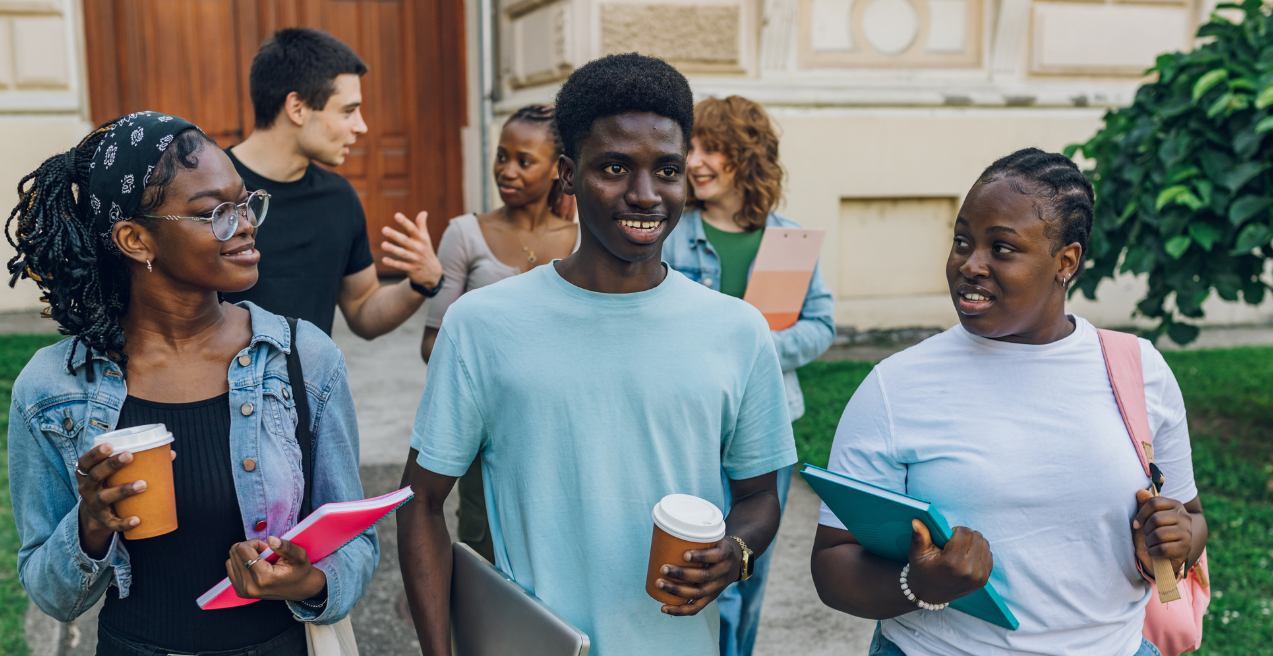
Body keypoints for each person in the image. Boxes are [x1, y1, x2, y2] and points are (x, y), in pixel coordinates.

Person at [396, 53, 798, 656]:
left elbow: (759, 497)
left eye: (666, 170)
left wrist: (734, 555)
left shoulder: (737, 330)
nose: (645, 194)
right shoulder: (481, 325)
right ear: (567, 174)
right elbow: (421, 503)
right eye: (614, 167)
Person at [6, 113, 378, 656]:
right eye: (215, 214)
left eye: (246, 204)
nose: (246, 224)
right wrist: (91, 523)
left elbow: (356, 544)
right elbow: (53, 595)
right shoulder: (52, 388)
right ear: (135, 239)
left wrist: (311, 582)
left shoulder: (302, 359)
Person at [810, 149, 1207, 656]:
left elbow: (1191, 516)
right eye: (961, 242)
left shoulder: (1137, 369)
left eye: (1001, 248)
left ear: (1067, 261)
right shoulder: (897, 385)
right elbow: (833, 562)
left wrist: (1179, 538)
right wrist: (921, 586)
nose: (970, 265)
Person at [662, 95, 834, 656]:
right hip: (687, 423)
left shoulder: (788, 239)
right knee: (685, 556)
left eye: (713, 148)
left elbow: (821, 324)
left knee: (744, 565)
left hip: (765, 425)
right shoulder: (670, 231)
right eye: (691, 147)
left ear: (748, 157)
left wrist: (754, 350)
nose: (695, 161)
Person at [420, 104, 579, 563]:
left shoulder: (583, 241)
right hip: (486, 434)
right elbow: (434, 345)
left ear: (557, 169)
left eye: (524, 161)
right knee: (484, 546)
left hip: (561, 433)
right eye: (501, 156)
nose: (506, 171)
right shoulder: (465, 234)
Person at [224, 27, 442, 337]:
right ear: (297, 109)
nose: (361, 126)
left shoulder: (339, 199)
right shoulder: (205, 191)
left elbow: (364, 310)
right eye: (349, 111)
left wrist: (421, 284)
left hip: (309, 386)